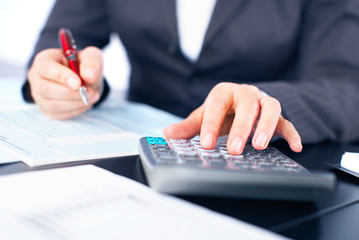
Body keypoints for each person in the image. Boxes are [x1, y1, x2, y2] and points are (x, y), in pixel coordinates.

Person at [22, 0, 359, 155]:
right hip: (133, 154)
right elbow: (58, 39)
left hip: (255, 159)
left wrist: (264, 104)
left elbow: (346, 86)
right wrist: (67, 79)